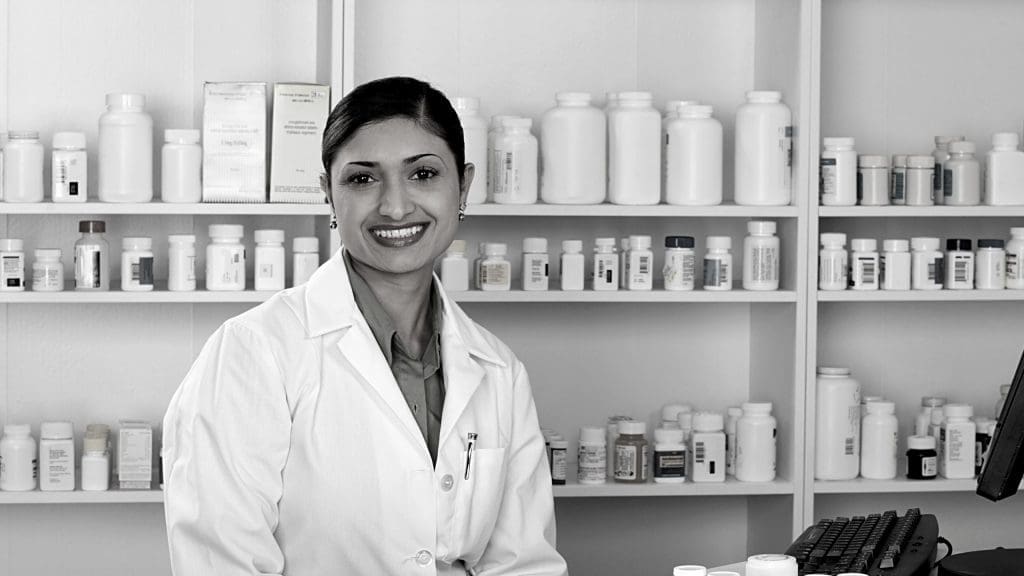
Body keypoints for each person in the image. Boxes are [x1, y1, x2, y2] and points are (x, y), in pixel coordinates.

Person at [161, 76, 568, 576]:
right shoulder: (254, 352)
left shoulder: (499, 370)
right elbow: (220, 564)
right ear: (328, 195)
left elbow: (523, 565)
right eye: (362, 179)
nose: (396, 206)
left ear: (463, 186)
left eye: (422, 174)